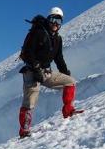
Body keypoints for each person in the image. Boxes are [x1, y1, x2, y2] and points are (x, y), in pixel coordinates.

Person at [18, 7, 78, 138]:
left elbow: (59, 58)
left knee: (70, 82)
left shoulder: (57, 39)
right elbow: (28, 53)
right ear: (48, 19)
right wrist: (36, 69)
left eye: (59, 21)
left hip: (46, 72)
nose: (55, 24)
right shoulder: (38, 32)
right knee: (30, 102)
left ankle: (68, 111)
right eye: (53, 19)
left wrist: (65, 72)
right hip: (31, 71)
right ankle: (25, 131)